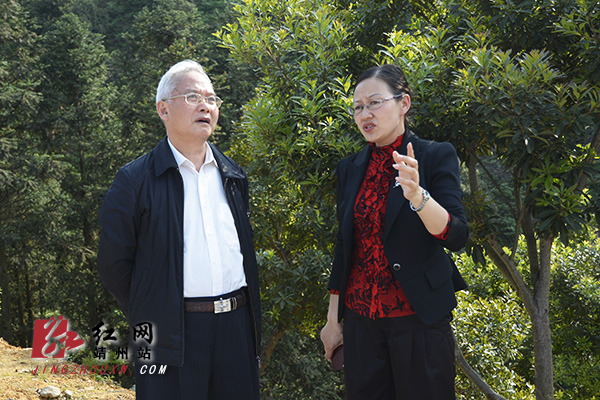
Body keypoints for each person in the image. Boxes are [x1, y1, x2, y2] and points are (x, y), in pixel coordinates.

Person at [97, 60, 261, 400]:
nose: (205, 106)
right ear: (163, 109)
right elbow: (113, 264)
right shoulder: (135, 180)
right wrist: (152, 310)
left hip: (236, 327)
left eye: (211, 99)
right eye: (192, 97)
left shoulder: (233, 175)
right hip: (168, 332)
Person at [320, 64, 469, 399]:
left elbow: (457, 235)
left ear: (404, 103)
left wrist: (418, 196)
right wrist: (333, 319)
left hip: (419, 320)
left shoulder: (434, 155)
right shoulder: (350, 168)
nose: (365, 114)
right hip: (361, 323)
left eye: (375, 103)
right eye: (358, 107)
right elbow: (345, 245)